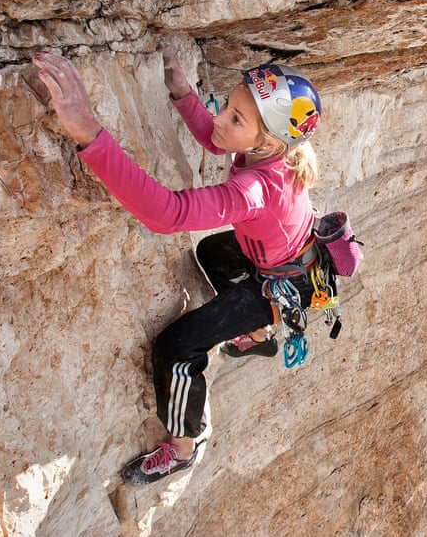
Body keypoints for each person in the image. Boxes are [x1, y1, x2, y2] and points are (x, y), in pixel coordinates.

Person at [32, 48, 322, 485]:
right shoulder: (270, 153)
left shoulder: (254, 190)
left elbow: (166, 214)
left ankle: (183, 446)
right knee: (210, 253)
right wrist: (185, 95)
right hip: (282, 259)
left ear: (267, 143)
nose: (221, 119)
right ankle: (258, 336)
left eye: (236, 119)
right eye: (227, 105)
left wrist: (89, 133)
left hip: (280, 286)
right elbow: (217, 139)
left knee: (175, 348)